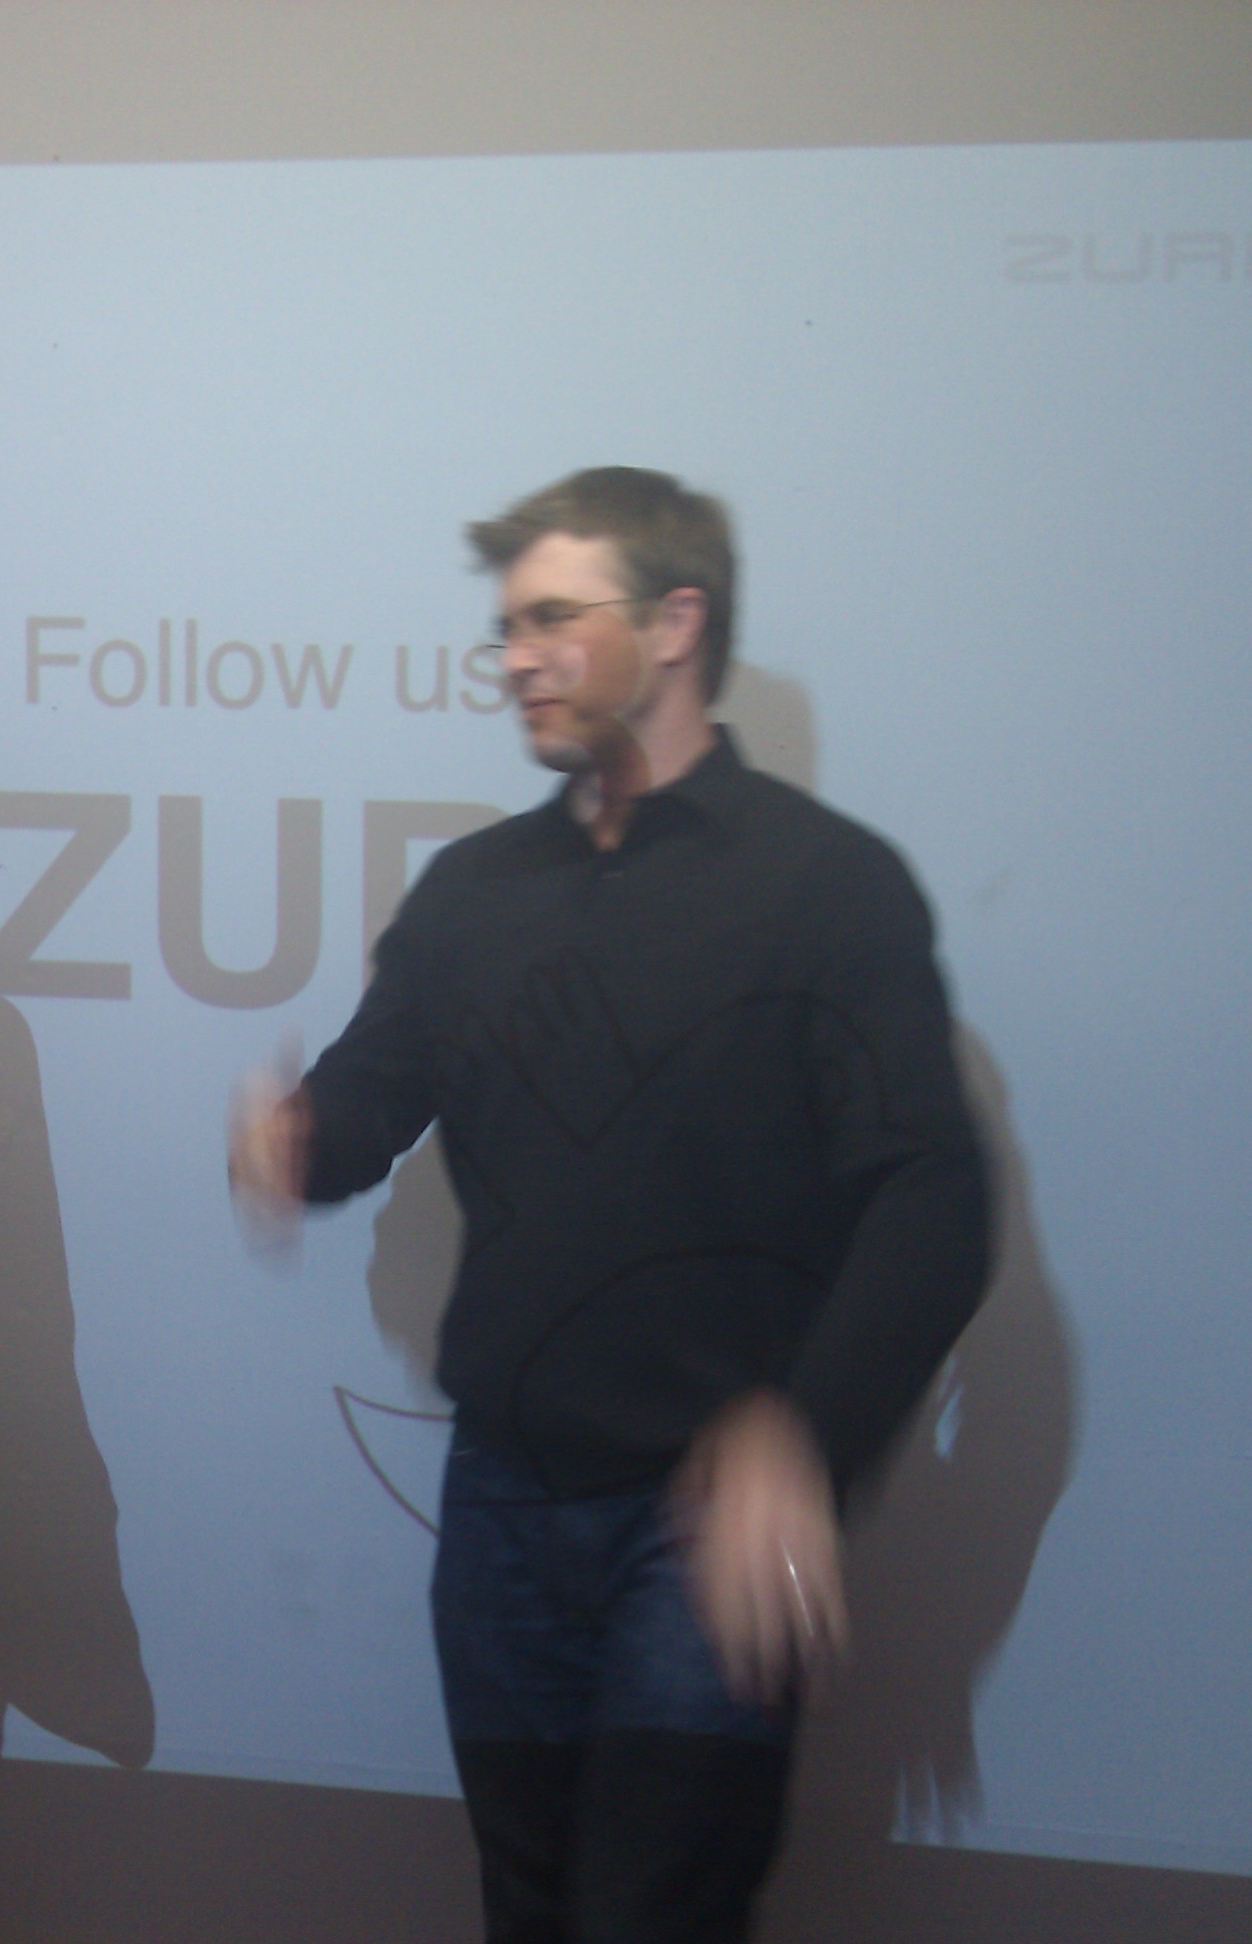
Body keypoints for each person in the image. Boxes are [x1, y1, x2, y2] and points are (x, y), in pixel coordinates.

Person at [229, 467, 991, 1942]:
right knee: (531, 1912)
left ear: (676, 623)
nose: (516, 657)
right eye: (508, 628)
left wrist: (805, 1437)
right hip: (504, 1504)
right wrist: (292, 1144)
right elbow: (363, 1110)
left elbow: (933, 1199)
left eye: (553, 619)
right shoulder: (474, 890)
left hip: (700, 1525)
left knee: (651, 1917)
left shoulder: (828, 887)